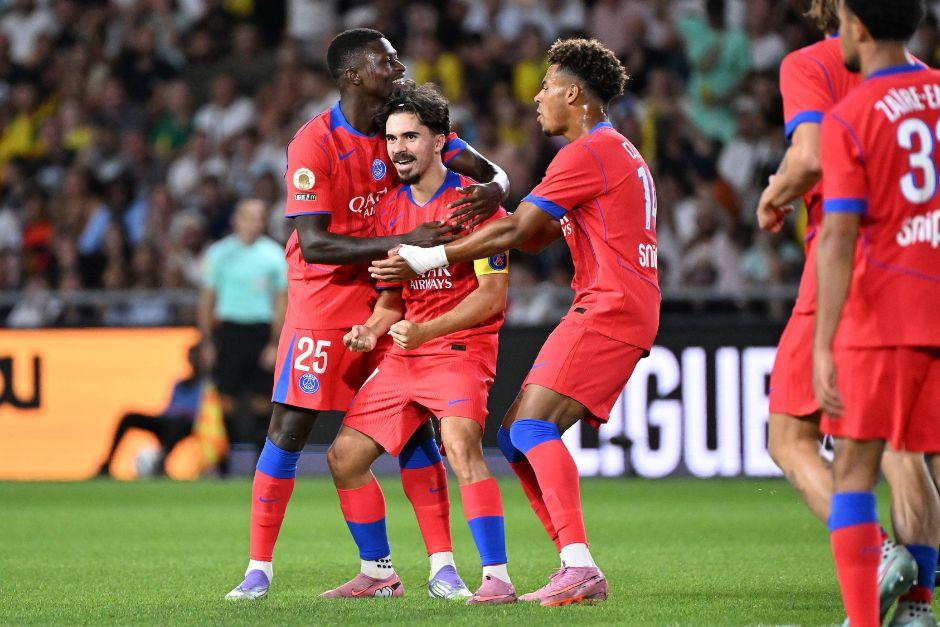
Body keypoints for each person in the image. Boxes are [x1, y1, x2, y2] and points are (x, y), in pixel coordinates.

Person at [226, 28, 510, 601]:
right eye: (387, 57)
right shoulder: (314, 142)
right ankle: (259, 567)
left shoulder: (404, 127)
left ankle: (441, 566)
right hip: (326, 293)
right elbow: (313, 243)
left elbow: (492, 175)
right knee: (290, 426)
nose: (399, 62)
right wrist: (407, 241)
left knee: (415, 433)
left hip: (394, 291)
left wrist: (496, 189)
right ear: (355, 74)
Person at [371, 38, 657, 606]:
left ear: (573, 93)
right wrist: (494, 208)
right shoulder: (615, 150)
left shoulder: (585, 152)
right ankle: (571, 563)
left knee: (529, 431)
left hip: (607, 304)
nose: (537, 97)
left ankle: (579, 565)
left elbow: (514, 229)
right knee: (514, 434)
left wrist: (431, 256)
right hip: (622, 302)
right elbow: (537, 231)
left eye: (547, 86)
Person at [756, 1, 939, 620]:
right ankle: (918, 607)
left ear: (847, 17)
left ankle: (877, 562)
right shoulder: (934, 87)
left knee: (794, 435)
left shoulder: (822, 76)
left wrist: (775, 193)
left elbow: (812, 166)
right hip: (929, 281)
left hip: (864, 284)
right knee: (907, 448)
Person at [320, 83, 513, 603]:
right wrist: (371, 330)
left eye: (410, 137)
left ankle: (497, 577)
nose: (398, 148)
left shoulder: (474, 205)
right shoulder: (387, 212)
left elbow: (492, 298)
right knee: (344, 459)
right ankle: (379, 572)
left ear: (439, 142)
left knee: (460, 447)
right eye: (390, 139)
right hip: (407, 352)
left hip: (460, 348)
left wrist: (426, 330)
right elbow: (390, 302)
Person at [814, 1, 939, 624]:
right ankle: (917, 612)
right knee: (919, 459)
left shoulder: (853, 114)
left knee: (856, 471)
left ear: (858, 26)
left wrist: (822, 344)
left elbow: (838, 235)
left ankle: (865, 622)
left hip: (888, 312)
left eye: (839, 20)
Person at [198, 198, 286, 466]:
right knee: (226, 399)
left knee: (263, 401)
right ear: (236, 219)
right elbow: (207, 300)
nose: (254, 222)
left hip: (260, 332)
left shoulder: (273, 254)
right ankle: (224, 463)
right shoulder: (218, 253)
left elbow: (282, 302)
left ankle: (262, 465)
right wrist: (207, 341)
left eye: (259, 217)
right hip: (229, 331)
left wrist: (275, 342)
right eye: (249, 216)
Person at [97, 345, 202, 477]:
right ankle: (107, 464)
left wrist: (184, 413)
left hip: (189, 425)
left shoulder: (207, 385)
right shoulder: (179, 383)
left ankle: (159, 465)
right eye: (191, 357)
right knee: (129, 417)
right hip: (167, 421)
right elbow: (169, 409)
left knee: (177, 424)